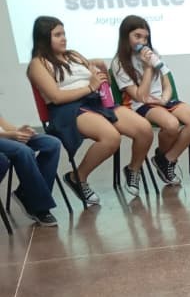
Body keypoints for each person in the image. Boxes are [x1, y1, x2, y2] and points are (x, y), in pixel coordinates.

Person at [26, 16, 154, 205]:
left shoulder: (73, 55)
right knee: (111, 137)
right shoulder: (38, 64)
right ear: (44, 37)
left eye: (64, 34)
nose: (64, 38)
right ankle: (78, 177)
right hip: (67, 109)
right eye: (57, 35)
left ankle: (133, 170)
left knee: (144, 129)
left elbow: (97, 77)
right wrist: (90, 87)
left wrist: (100, 75)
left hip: (95, 101)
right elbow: (56, 97)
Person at [111, 15, 190, 186]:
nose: (142, 41)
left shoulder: (154, 54)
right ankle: (133, 169)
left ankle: (167, 159)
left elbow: (167, 84)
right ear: (125, 37)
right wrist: (147, 68)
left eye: (145, 37)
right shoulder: (119, 63)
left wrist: (164, 99)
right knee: (171, 125)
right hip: (140, 104)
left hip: (162, 101)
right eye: (137, 36)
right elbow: (139, 96)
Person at [0, 111, 61, 225]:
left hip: (5, 137)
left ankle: (25, 193)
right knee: (23, 151)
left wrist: (19, 131)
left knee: (52, 144)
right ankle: (40, 207)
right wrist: (10, 135)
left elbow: (3, 125)